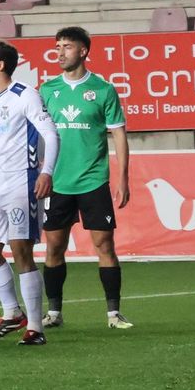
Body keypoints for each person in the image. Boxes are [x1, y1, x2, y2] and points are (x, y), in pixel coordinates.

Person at [39, 27, 133, 331]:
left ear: (83, 51)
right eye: (57, 46)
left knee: (104, 244)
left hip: (93, 180)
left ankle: (113, 314)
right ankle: (54, 313)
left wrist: (123, 177)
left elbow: (118, 133)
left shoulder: (104, 89)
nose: (60, 52)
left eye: (67, 46)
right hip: (58, 181)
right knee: (54, 246)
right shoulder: (47, 90)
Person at [0, 40, 60, 347]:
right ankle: (12, 312)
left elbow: (50, 132)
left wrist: (46, 171)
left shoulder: (26, 95)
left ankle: (35, 327)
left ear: (0, 65)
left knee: (21, 249)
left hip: (22, 179)